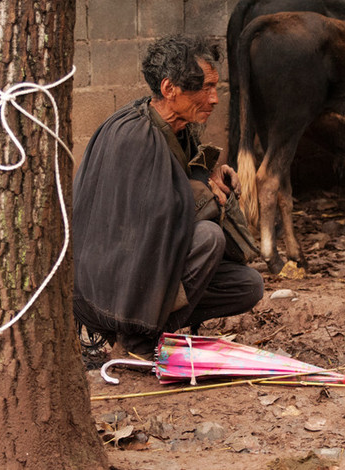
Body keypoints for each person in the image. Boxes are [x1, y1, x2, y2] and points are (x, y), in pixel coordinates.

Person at [73, 35, 264, 357]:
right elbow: (149, 218)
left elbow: (180, 180)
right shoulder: (133, 135)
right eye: (205, 88)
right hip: (108, 285)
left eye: (215, 88)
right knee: (207, 238)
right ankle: (135, 341)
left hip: (147, 267)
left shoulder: (176, 129)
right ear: (169, 89)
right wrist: (205, 196)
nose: (214, 99)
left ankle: (153, 329)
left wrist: (211, 177)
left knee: (247, 285)